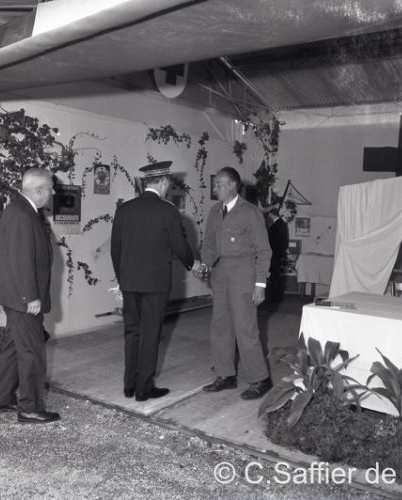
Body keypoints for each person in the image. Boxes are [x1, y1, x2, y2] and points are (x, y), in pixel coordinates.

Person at [111, 161, 194, 401]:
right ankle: (143, 388)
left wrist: (122, 279)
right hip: (156, 284)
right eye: (168, 184)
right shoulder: (167, 211)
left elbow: (116, 250)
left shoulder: (124, 209)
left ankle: (129, 385)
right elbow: (180, 246)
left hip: (130, 282)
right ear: (164, 182)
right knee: (150, 334)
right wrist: (191, 263)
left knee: (132, 332)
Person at [0, 168, 60, 424]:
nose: (53, 192)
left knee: (13, 348)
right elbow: (21, 260)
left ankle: (1, 399)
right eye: (50, 188)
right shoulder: (22, 214)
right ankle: (30, 407)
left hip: (15, 296)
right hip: (23, 299)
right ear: (39, 190)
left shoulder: (21, 210)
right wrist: (30, 297)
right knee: (32, 352)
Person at [196, 167, 272, 400]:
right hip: (220, 275)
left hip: (243, 275)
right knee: (220, 327)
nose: (215, 188)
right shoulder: (214, 211)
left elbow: (264, 250)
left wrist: (260, 284)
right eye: (215, 184)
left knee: (245, 329)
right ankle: (225, 374)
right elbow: (208, 245)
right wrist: (206, 265)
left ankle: (260, 379)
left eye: (219, 184)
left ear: (233, 185)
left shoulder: (250, 212)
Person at [265, 208, 289, 302]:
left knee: (275, 276)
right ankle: (276, 296)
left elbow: (275, 241)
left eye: (268, 214)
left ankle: (275, 296)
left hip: (275, 255)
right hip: (277, 254)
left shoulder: (277, 225)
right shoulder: (281, 223)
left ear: (271, 214)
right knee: (275, 275)